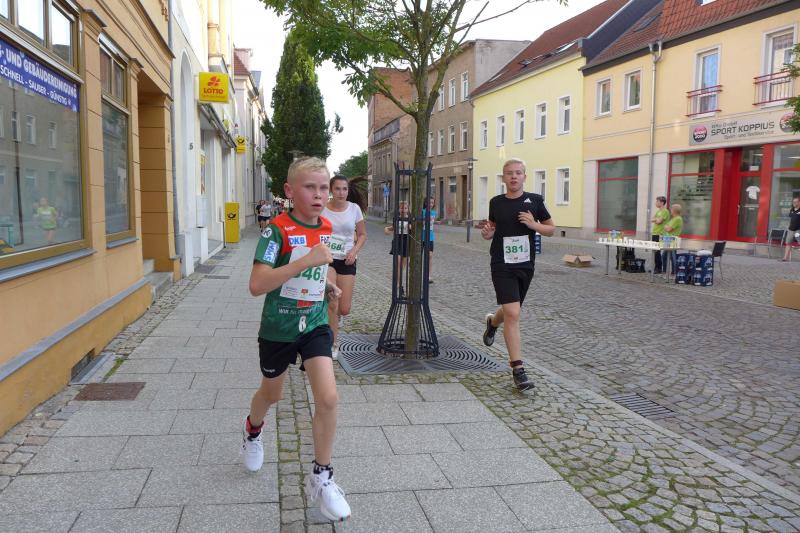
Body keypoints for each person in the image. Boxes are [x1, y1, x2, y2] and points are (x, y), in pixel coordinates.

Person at [244, 156, 351, 522]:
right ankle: (252, 430)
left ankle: (322, 476)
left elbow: (323, 266)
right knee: (271, 395)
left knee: (329, 397)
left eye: (324, 188)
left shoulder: (326, 226)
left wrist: (329, 285)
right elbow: (257, 284)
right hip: (278, 328)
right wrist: (305, 262)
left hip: (314, 323)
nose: (319, 195)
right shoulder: (276, 231)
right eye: (310, 187)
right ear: (290, 191)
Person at [480, 159, 555, 391]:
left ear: (524, 176)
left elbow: (551, 229)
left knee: (510, 310)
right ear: (503, 178)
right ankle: (518, 370)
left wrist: (534, 225)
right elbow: (491, 229)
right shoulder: (496, 202)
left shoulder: (535, 201)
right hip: (501, 263)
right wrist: (487, 233)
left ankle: (493, 322)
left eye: (518, 173)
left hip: (525, 264)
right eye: (509, 173)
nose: (514, 176)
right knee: (513, 313)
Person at [322, 175, 367, 359]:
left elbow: (362, 234)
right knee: (333, 301)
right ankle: (333, 343)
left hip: (347, 260)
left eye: (344, 189)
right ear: (331, 190)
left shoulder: (354, 209)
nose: (341, 193)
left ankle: (337, 318)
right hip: (328, 259)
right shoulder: (323, 209)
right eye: (337, 189)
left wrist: (354, 251)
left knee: (344, 308)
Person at [385, 201, 410, 293]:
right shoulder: (396, 218)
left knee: (402, 266)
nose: (403, 210)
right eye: (402, 208)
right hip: (397, 241)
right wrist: (386, 229)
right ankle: (399, 285)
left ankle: (399, 282)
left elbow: (414, 229)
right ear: (399, 209)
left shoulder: (410, 219)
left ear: (408, 209)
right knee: (398, 261)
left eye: (405, 208)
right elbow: (393, 227)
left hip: (406, 241)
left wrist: (411, 227)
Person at [661, 203, 683, 276]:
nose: (670, 211)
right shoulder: (673, 219)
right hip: (668, 240)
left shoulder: (678, 219)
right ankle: (664, 271)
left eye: (671, 209)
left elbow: (668, 229)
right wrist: (666, 227)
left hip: (673, 240)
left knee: (673, 257)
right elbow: (666, 227)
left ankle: (674, 272)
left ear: (674, 210)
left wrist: (666, 227)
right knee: (664, 256)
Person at [650, 196, 670, 273]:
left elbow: (659, 222)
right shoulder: (658, 211)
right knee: (654, 251)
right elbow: (652, 219)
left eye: (657, 201)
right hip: (655, 233)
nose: (656, 203)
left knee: (657, 251)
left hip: (660, 233)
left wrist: (656, 220)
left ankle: (658, 268)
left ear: (662, 202)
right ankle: (656, 267)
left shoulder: (665, 211)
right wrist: (656, 219)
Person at [422, 197, 436, 283]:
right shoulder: (422, 211)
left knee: (430, 256)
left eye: (432, 203)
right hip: (421, 237)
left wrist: (436, 222)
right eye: (429, 202)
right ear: (425, 203)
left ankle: (428, 276)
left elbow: (431, 224)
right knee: (418, 256)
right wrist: (425, 219)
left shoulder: (434, 212)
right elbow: (421, 224)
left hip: (430, 237)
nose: (431, 204)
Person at [782, 196, 800, 261]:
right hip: (791, 230)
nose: (794, 203)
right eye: (793, 202)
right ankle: (785, 258)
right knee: (788, 243)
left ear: (799, 202)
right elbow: (791, 218)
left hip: (798, 230)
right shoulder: (792, 209)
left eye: (795, 202)